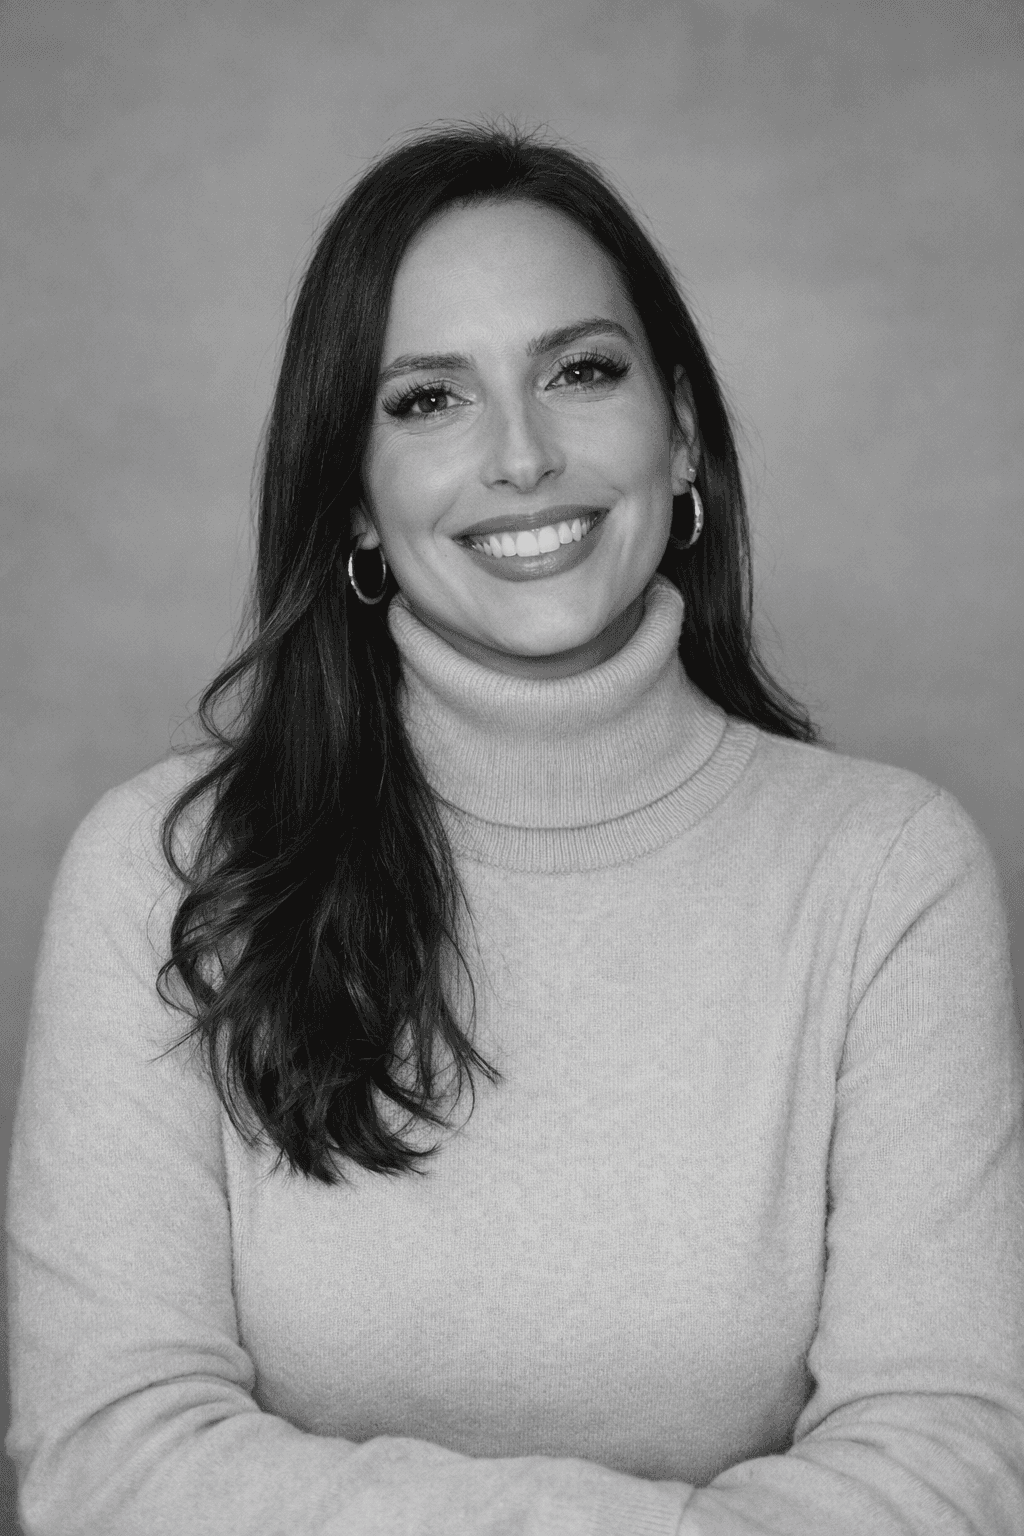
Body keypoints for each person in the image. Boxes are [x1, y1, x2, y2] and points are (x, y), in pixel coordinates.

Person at [6, 123, 1023, 1536]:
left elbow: (948, 1458)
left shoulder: (889, 874)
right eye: (429, 400)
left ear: (681, 437)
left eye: (581, 371)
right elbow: (108, 1457)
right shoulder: (165, 872)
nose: (524, 455)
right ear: (354, 495)